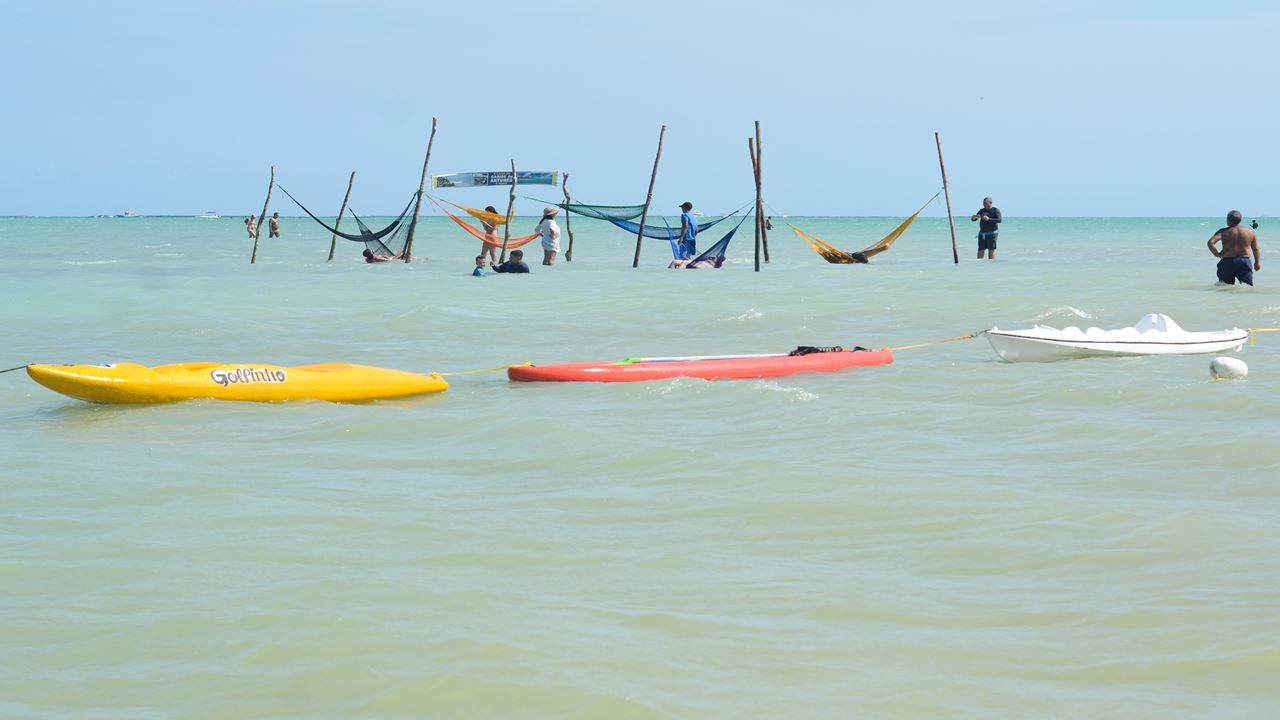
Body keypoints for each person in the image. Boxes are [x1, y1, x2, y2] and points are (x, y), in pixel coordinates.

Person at [1208, 210, 1261, 286]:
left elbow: (1210, 242)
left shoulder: (1223, 231)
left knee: (1224, 287)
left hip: (1227, 262)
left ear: (1228, 220)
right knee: (1247, 287)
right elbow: (1255, 249)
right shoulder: (1250, 232)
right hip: (1244, 262)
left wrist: (1216, 254)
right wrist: (1257, 262)